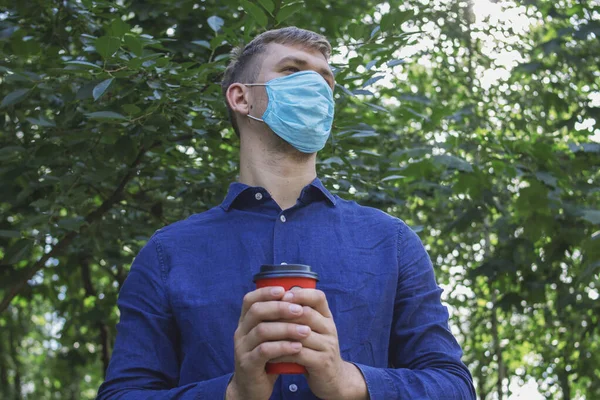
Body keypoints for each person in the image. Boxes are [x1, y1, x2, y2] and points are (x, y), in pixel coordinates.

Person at [97, 26, 476, 400]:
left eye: (326, 81)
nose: (316, 87)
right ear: (241, 98)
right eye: (293, 71)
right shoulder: (168, 253)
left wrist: (349, 382)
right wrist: (232, 394)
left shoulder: (391, 241)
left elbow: (454, 387)